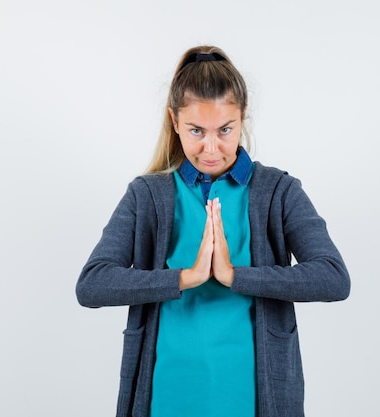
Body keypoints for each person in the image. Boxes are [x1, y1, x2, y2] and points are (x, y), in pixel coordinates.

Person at [76, 45, 350, 417]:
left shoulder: (279, 191)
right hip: (167, 396)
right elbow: (92, 284)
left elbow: (333, 278)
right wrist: (184, 278)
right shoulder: (147, 195)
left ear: (243, 117)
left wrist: (235, 276)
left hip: (252, 399)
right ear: (174, 121)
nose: (210, 148)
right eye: (195, 131)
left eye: (225, 130)